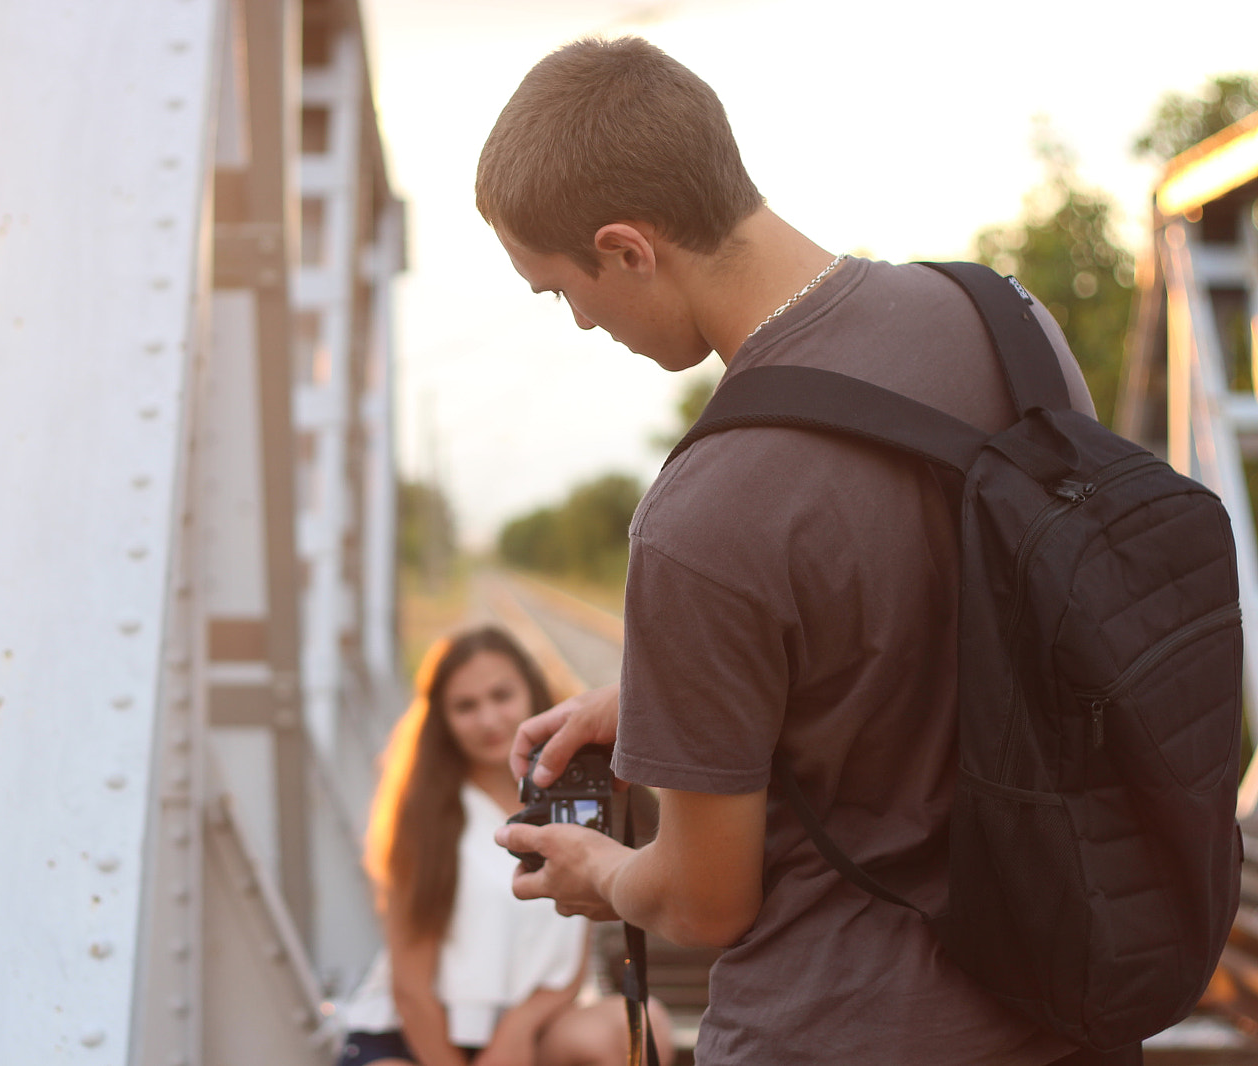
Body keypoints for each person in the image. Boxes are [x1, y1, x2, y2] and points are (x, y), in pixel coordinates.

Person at [480, 36, 1128, 1066]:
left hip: (839, 1031)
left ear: (626, 247)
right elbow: (958, 651)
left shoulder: (703, 513)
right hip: (1069, 1004)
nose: (581, 321)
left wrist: (598, 872)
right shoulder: (1011, 326)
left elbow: (700, 899)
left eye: (561, 290)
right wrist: (670, 702)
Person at [334, 625, 667, 1066]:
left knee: (647, 1025)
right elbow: (411, 989)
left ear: (531, 690)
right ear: (442, 720)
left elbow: (571, 958)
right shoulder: (424, 813)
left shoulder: (576, 796)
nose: (489, 719)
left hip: (525, 1035)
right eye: (466, 706)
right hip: (416, 1036)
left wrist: (521, 1027)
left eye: (501, 695)